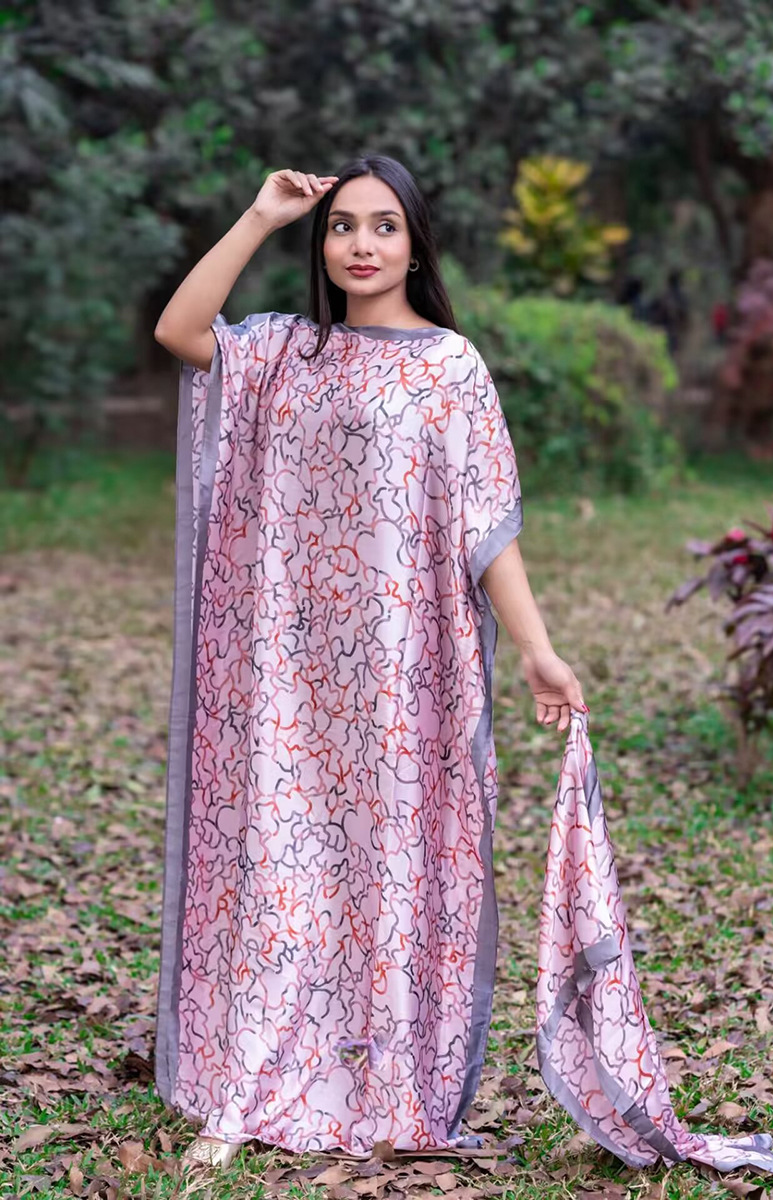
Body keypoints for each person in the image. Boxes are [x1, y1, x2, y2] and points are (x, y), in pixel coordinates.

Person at [153, 155, 587, 1171]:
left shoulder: (449, 367)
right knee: (279, 864)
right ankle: (247, 1083)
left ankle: (387, 1083)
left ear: (415, 245)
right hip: (280, 673)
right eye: (343, 225)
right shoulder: (283, 353)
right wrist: (260, 216)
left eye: (384, 226)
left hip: (398, 678)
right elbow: (180, 331)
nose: (360, 244)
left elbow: (486, 527)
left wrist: (537, 651)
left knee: (384, 872)